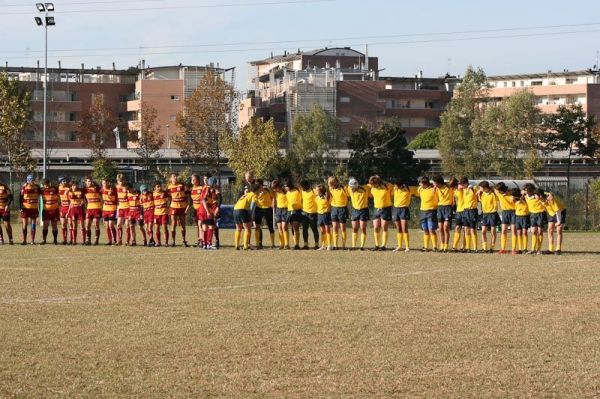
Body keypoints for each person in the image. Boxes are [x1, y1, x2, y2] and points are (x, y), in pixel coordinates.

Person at [368, 175, 393, 251]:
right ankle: (376, 245)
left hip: (386, 208)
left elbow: (394, 186)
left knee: (384, 227)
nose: (372, 186)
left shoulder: (387, 186)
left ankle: (383, 246)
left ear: (377, 183)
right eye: (371, 184)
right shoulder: (372, 187)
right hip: (376, 209)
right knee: (376, 227)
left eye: (373, 184)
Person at [392, 178, 416, 252]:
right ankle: (399, 246)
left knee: (404, 228)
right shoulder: (395, 189)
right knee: (398, 228)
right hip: (396, 209)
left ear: (400, 185)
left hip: (404, 209)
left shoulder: (408, 189)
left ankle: (407, 247)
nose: (395, 186)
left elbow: (418, 189)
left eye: (397, 185)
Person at [416, 177, 438, 252]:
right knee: (425, 229)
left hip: (431, 211)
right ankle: (426, 247)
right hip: (423, 211)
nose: (419, 184)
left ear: (425, 184)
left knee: (431, 229)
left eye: (420, 183)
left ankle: (434, 247)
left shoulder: (434, 189)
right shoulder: (420, 189)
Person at [167, 173, 189, 247]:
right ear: (171, 179)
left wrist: (187, 206)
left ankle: (184, 240)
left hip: (182, 207)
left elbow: (187, 195)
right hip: (174, 207)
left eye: (176, 176)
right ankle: (173, 241)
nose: (175, 178)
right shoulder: (169, 187)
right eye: (174, 176)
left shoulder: (182, 185)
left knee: (183, 225)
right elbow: (168, 197)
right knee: (173, 224)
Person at [494, 182, 517, 254]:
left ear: (502, 190)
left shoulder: (511, 194)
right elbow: (493, 188)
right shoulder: (498, 193)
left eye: (499, 190)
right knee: (503, 231)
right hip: (504, 213)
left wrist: (507, 193)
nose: (497, 191)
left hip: (513, 212)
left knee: (513, 231)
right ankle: (503, 249)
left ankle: (513, 249)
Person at [348, 177, 370, 250]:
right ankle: (354, 246)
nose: (351, 188)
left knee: (363, 228)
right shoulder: (349, 188)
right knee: (354, 228)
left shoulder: (366, 188)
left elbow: (374, 184)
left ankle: (361, 246)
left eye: (353, 187)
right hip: (354, 210)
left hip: (363, 210)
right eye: (350, 187)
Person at [233, 184, 258, 250]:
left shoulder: (246, 194)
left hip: (235, 209)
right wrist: (251, 216)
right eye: (260, 189)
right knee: (247, 228)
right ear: (257, 189)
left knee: (238, 228)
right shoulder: (254, 195)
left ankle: (236, 245)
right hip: (242, 210)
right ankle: (245, 246)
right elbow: (252, 206)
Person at [457, 177, 479, 253]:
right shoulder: (462, 190)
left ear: (466, 183)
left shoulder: (473, 188)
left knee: (472, 230)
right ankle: (468, 248)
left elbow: (479, 189)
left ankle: (475, 248)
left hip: (472, 211)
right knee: (466, 229)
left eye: (462, 184)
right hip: (465, 211)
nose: (461, 186)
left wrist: (471, 186)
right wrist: (460, 189)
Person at [433, 176, 454, 253]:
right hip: (440, 208)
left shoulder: (449, 188)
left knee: (446, 228)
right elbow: (435, 200)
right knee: (440, 228)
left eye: (435, 183)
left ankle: (446, 246)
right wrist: (434, 192)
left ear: (439, 183)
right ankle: (442, 246)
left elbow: (453, 181)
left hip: (447, 208)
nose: (434, 184)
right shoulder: (436, 189)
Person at [199, 177, 221, 250]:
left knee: (210, 227)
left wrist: (217, 208)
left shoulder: (214, 190)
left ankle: (208, 244)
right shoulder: (207, 189)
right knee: (207, 227)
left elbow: (219, 198)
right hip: (205, 211)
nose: (215, 186)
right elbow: (203, 201)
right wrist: (208, 211)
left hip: (210, 211)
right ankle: (206, 243)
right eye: (214, 184)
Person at [327, 176, 349, 250]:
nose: (331, 184)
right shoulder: (330, 189)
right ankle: (335, 246)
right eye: (330, 183)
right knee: (335, 228)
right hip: (334, 209)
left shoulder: (344, 188)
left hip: (342, 209)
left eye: (333, 183)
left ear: (337, 182)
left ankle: (343, 246)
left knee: (343, 228)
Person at [253, 179, 275, 249]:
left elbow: (273, 197)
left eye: (257, 184)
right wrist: (259, 195)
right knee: (257, 226)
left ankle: (273, 244)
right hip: (258, 209)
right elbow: (254, 200)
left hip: (268, 209)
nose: (256, 186)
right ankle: (257, 244)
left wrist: (272, 204)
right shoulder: (255, 191)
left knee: (270, 226)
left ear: (261, 185)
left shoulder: (268, 190)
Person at [524, 184, 546, 255]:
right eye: (525, 190)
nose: (526, 191)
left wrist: (542, 197)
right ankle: (533, 249)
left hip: (540, 214)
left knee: (540, 231)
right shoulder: (526, 196)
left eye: (527, 190)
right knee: (533, 232)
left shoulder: (537, 196)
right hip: (532, 215)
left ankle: (538, 249)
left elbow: (545, 194)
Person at [478, 181, 499, 253]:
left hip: (493, 214)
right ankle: (484, 248)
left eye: (480, 187)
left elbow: (497, 199)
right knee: (483, 231)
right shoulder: (481, 194)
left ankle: (491, 248)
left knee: (493, 231)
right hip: (485, 215)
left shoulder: (493, 194)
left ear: (485, 187)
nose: (479, 188)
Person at [19, 175, 40, 245]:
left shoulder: (37, 187)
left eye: (32, 179)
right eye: (30, 179)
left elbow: (42, 193)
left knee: (33, 224)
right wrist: (20, 207)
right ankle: (24, 241)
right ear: (27, 180)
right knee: (25, 224)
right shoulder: (24, 187)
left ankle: (32, 241)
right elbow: (20, 197)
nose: (31, 181)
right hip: (25, 208)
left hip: (34, 208)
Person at [545, 191, 566, 255]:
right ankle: (550, 249)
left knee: (558, 230)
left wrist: (559, 221)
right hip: (552, 213)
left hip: (560, 212)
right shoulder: (541, 196)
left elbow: (558, 211)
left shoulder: (554, 201)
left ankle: (558, 249)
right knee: (550, 230)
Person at [284, 179, 303, 250]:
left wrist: (299, 205)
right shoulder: (287, 193)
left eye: (286, 186)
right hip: (289, 211)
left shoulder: (297, 191)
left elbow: (301, 199)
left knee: (295, 227)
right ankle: (290, 244)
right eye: (285, 187)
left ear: (290, 186)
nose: (285, 188)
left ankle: (297, 244)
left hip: (296, 211)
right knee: (288, 227)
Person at [83, 176, 102, 245]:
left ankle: (96, 240)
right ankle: (88, 240)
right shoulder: (84, 190)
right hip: (89, 209)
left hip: (97, 208)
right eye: (88, 181)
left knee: (96, 224)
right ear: (85, 182)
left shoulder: (97, 188)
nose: (90, 182)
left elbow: (103, 191)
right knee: (87, 225)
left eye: (91, 181)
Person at [40, 179, 60, 245]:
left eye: (47, 184)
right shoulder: (41, 190)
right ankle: (44, 240)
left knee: (54, 225)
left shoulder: (55, 189)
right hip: (46, 211)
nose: (47, 186)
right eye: (45, 185)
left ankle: (55, 240)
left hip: (54, 210)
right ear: (43, 185)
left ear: (49, 183)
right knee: (45, 225)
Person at [272, 179, 289, 250]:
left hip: (285, 210)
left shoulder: (285, 192)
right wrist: (273, 202)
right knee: (279, 228)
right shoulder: (275, 193)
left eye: (275, 188)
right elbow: (274, 199)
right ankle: (281, 244)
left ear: (279, 187)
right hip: (278, 210)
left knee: (284, 227)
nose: (275, 190)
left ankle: (286, 244)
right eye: (274, 189)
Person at [67, 180, 86, 245]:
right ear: (71, 186)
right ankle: (74, 241)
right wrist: (68, 212)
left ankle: (83, 241)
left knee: (82, 225)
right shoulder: (69, 192)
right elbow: (70, 203)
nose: (74, 187)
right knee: (74, 225)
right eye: (73, 185)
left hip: (80, 209)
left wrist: (83, 205)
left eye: (75, 185)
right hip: (73, 209)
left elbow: (84, 200)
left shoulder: (80, 191)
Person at [190, 174, 206, 247]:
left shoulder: (201, 188)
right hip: (194, 208)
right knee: (197, 225)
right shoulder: (192, 189)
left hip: (200, 208)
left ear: (198, 180)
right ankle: (199, 239)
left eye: (194, 179)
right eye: (192, 179)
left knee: (201, 224)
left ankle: (203, 239)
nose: (192, 181)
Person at [100, 179, 118, 246]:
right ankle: (109, 241)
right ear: (102, 184)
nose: (105, 184)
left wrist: (112, 192)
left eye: (106, 183)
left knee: (111, 225)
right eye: (104, 183)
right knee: (107, 226)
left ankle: (114, 240)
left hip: (112, 209)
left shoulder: (112, 189)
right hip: (105, 209)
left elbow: (117, 196)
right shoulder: (101, 190)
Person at [513, 188, 530, 254]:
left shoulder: (527, 199)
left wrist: (523, 197)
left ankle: (525, 248)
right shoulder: (516, 199)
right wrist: (519, 199)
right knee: (519, 233)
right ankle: (520, 249)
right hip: (518, 217)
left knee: (524, 232)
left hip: (525, 217)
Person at [315, 184, 332, 250]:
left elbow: (330, 204)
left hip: (326, 214)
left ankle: (329, 245)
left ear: (321, 191)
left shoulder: (327, 197)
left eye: (317, 190)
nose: (316, 191)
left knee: (327, 230)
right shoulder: (316, 198)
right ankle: (323, 245)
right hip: (319, 215)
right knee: (322, 231)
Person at [153, 183, 170, 247]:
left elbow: (170, 198)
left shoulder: (164, 193)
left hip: (164, 213)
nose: (159, 188)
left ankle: (166, 242)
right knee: (157, 228)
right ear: (154, 188)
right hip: (156, 213)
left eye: (160, 186)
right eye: (157, 187)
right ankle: (158, 242)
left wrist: (168, 206)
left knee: (164, 228)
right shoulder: (153, 194)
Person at [116, 174, 130, 246]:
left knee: (127, 224)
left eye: (121, 181)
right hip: (121, 208)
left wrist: (127, 191)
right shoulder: (116, 187)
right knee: (118, 225)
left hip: (127, 208)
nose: (120, 182)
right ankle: (120, 240)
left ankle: (127, 241)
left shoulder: (127, 188)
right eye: (119, 181)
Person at [0, 180, 14, 245]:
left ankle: (10, 239)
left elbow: (10, 197)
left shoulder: (5, 187)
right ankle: (1, 239)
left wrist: (7, 205)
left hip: (4, 209)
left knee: (7, 225)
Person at [58, 176, 71, 245]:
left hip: (69, 207)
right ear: (60, 182)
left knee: (70, 224)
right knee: (63, 224)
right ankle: (64, 239)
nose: (65, 182)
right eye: (63, 181)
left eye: (65, 181)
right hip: (62, 208)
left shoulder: (69, 188)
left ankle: (71, 239)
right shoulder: (58, 188)